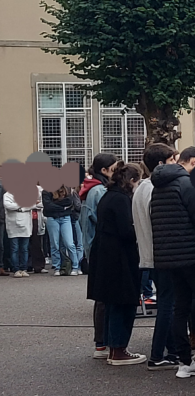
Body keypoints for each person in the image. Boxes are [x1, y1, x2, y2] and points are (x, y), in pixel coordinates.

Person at [150, 146, 195, 380]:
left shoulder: (158, 186)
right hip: (194, 254)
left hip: (168, 257)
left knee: (180, 308)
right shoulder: (188, 184)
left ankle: (184, 361)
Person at [90, 163, 147, 365]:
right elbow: (126, 230)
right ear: (131, 181)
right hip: (120, 257)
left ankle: (109, 346)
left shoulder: (109, 195)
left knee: (111, 302)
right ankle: (119, 349)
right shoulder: (122, 199)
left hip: (105, 254)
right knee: (123, 303)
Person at [132, 143, 180, 371]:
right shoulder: (155, 189)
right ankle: (158, 354)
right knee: (168, 304)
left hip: (149, 252)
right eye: (172, 161)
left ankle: (171, 350)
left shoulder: (142, 187)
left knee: (165, 301)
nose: (176, 165)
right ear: (161, 164)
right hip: (161, 252)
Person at [82, 153, 118, 358]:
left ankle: (102, 343)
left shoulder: (93, 189)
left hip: (96, 247)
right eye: (114, 167)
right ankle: (103, 342)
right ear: (104, 170)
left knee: (102, 297)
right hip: (101, 248)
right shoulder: (99, 191)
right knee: (105, 298)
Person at [42, 186, 78, 276]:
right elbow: (48, 206)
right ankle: (56, 267)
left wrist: (55, 203)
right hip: (52, 218)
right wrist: (62, 207)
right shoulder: (46, 191)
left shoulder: (67, 189)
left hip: (65, 217)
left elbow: (69, 202)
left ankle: (75, 266)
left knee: (69, 243)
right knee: (55, 244)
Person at [4, 185, 36, 277]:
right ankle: (16, 269)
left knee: (24, 249)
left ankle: (23, 268)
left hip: (25, 225)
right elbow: (8, 206)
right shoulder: (7, 195)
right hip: (12, 225)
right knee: (14, 248)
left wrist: (19, 208)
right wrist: (23, 205)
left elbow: (33, 204)